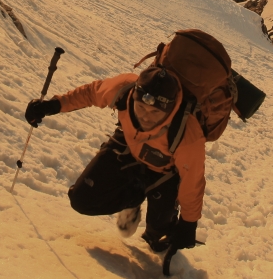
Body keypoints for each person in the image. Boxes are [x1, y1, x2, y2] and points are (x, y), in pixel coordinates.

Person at [25, 64, 203, 256]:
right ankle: (133, 199)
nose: (145, 117)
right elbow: (91, 93)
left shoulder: (188, 133)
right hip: (126, 148)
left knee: (157, 241)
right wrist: (53, 105)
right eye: (141, 108)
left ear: (170, 110)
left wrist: (188, 223)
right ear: (134, 96)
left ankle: (161, 225)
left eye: (155, 113)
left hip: (163, 173)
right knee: (81, 200)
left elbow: (192, 181)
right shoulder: (124, 89)